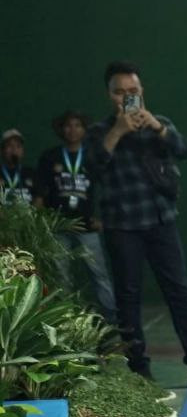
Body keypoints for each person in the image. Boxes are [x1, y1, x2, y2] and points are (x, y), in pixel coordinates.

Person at [87, 61, 187, 386]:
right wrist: (118, 131)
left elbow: (185, 150)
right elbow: (92, 168)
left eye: (133, 91)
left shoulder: (159, 124)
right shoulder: (100, 131)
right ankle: (139, 368)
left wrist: (159, 128)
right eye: (120, 92)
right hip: (122, 225)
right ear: (110, 96)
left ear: (142, 92)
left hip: (161, 220)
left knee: (180, 292)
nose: (128, 97)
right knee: (128, 296)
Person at [34, 111, 117, 324]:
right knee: (62, 279)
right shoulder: (50, 157)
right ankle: (65, 324)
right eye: (68, 126)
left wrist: (102, 219)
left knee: (99, 276)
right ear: (61, 130)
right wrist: (41, 225)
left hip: (87, 227)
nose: (72, 129)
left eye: (77, 125)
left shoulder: (92, 156)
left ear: (84, 129)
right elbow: (39, 195)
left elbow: (109, 188)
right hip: (58, 228)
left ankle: (112, 323)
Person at [1, 128, 36, 205]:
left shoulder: (32, 173)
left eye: (18, 146)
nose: (14, 150)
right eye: (10, 146)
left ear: (23, 151)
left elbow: (39, 199)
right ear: (2, 150)